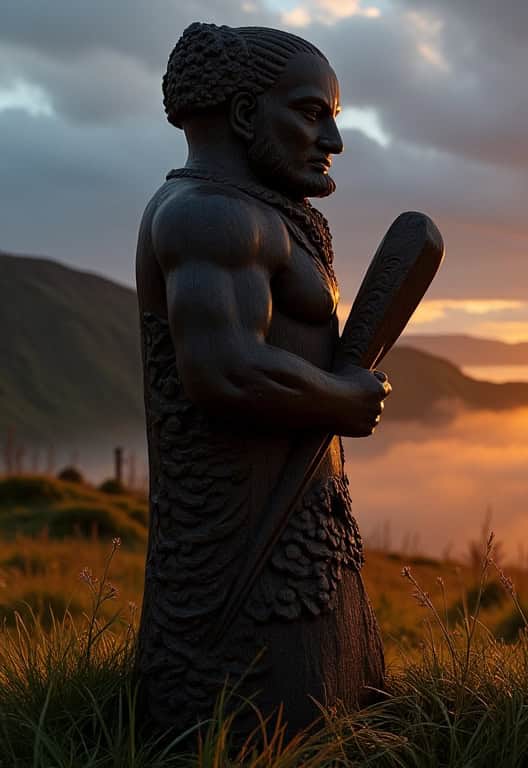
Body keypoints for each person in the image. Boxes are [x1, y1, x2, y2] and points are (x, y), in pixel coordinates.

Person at [134, 22, 388, 733]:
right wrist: (344, 398)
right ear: (246, 116)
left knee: (337, 708)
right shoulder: (210, 216)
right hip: (240, 552)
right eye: (313, 114)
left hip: (305, 527)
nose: (333, 142)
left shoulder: (266, 214)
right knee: (260, 722)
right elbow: (224, 369)